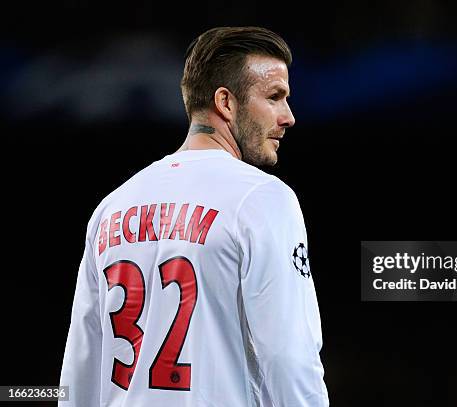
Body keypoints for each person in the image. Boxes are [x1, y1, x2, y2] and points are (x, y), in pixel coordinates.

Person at [60, 26, 329, 407]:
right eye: (274, 97)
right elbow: (289, 356)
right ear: (226, 102)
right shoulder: (262, 199)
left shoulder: (111, 208)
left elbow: (81, 368)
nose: (288, 116)